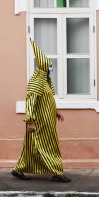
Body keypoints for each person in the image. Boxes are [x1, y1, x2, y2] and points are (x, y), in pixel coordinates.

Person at [11, 39, 71, 182]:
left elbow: (47, 100)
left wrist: (55, 111)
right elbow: (30, 101)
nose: (51, 67)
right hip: (39, 123)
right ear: (44, 66)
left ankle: (19, 169)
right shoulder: (37, 81)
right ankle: (57, 172)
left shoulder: (44, 82)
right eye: (49, 65)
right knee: (48, 146)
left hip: (47, 122)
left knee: (32, 147)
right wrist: (30, 121)